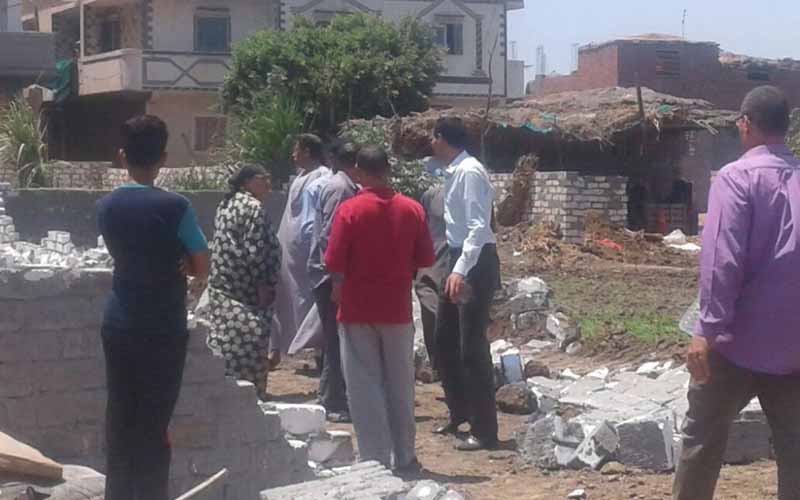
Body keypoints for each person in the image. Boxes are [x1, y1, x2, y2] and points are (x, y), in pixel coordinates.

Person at [673, 86, 800, 500]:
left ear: (745, 124)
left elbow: (721, 262)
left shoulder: (735, 178)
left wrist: (705, 332)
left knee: (702, 443)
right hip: (794, 348)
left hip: (734, 344)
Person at [96, 115, 210, 500]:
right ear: (163, 158)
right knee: (154, 422)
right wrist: (184, 265)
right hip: (163, 325)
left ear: (122, 156)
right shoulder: (176, 205)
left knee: (120, 417)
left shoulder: (106, 206)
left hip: (119, 323)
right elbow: (201, 264)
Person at [325, 146, 435, 470]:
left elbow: (333, 260)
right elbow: (426, 258)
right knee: (401, 385)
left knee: (364, 386)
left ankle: (375, 460)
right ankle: (405, 455)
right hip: (397, 309)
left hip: (356, 309)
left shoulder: (349, 210)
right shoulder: (412, 209)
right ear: (388, 170)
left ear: (358, 172)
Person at [430, 117, 500, 451]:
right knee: (444, 340)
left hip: (474, 262)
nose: (430, 143)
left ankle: (485, 430)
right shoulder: (453, 171)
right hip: (457, 258)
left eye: (433, 137)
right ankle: (459, 412)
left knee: (471, 346)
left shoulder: (470, 172)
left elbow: (478, 227)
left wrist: (460, 270)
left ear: (443, 139)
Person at [206, 166, 282, 401]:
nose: (268, 183)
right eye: (263, 178)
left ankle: (228, 386)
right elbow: (255, 249)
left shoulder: (226, 204)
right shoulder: (253, 208)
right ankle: (250, 393)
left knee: (228, 337)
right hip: (247, 289)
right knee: (250, 339)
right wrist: (263, 284)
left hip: (225, 284)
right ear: (246, 182)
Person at [307, 142, 360, 422]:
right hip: (331, 276)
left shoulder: (339, 186)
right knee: (337, 339)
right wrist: (338, 279)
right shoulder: (341, 189)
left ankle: (330, 397)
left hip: (327, 273)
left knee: (335, 339)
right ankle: (333, 402)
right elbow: (331, 237)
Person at [273, 134, 331, 353]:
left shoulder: (322, 176)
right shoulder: (299, 177)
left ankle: (313, 346)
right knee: (289, 295)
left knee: (308, 296)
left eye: (297, 149)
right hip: (290, 250)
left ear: (307, 152)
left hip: (308, 249)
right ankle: (293, 343)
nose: (293, 154)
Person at [414, 182, 448, 371]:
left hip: (459, 265)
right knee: (431, 311)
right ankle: (440, 366)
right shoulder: (431, 195)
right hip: (433, 266)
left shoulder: (476, 192)